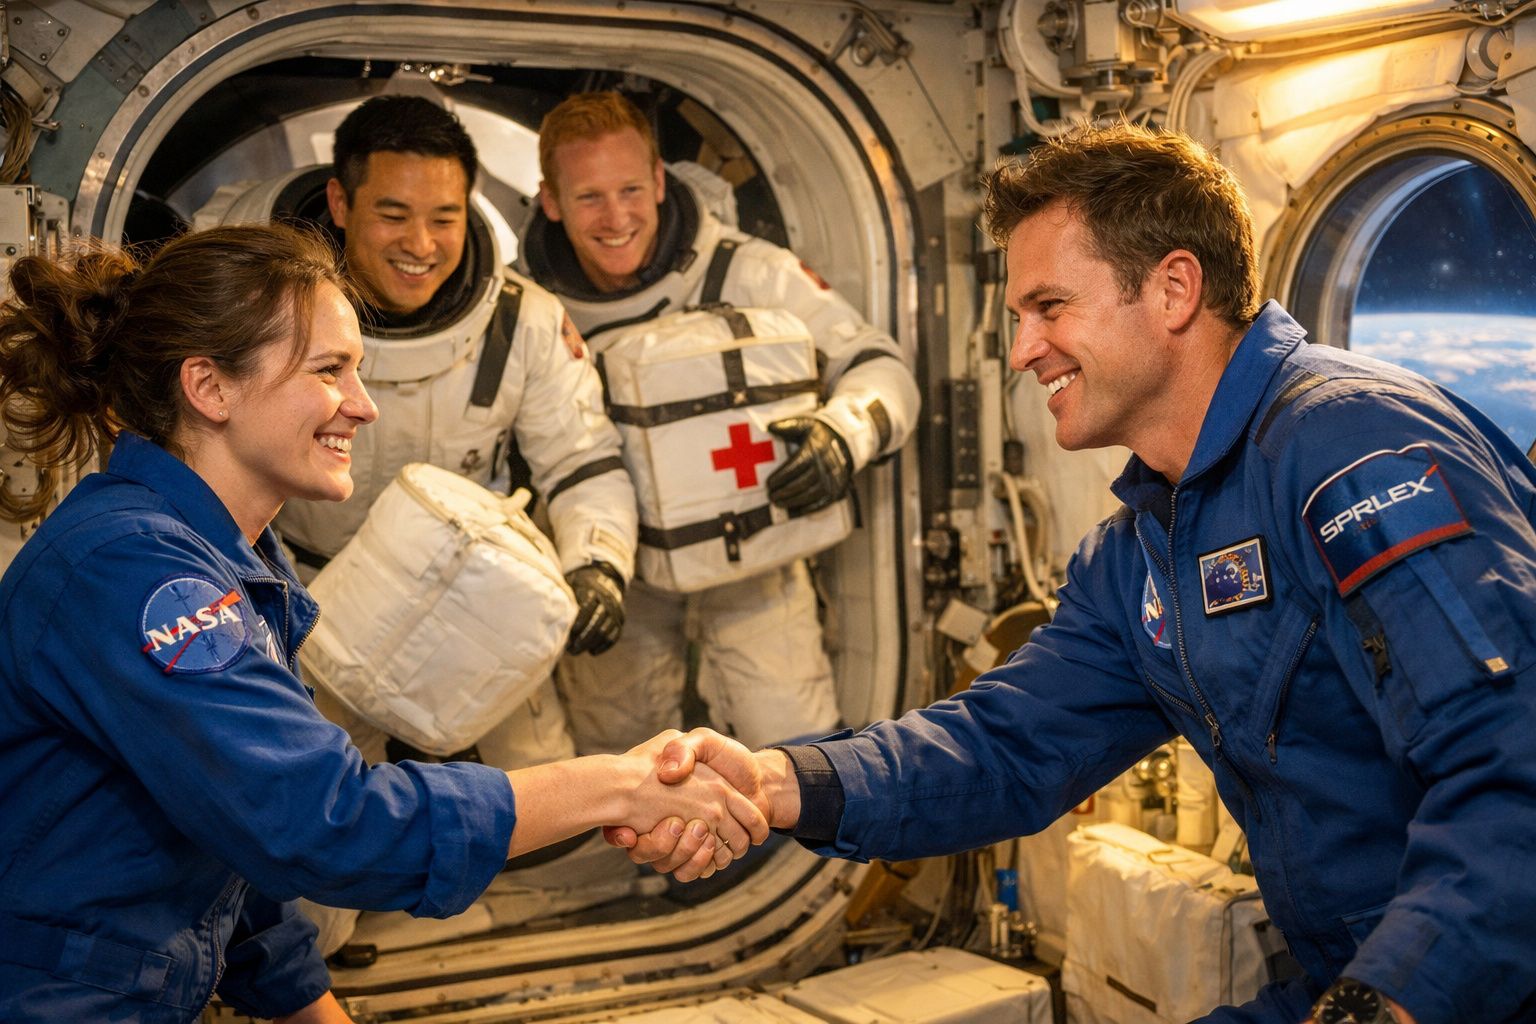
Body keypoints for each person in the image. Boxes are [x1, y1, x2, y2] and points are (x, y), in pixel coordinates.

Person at [619, 123, 1536, 1024]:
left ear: (1173, 289)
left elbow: (1515, 773)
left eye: (1050, 308)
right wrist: (775, 782)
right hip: (1358, 976)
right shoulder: (1144, 546)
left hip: (1461, 977)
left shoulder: (1349, 453)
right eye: (1019, 319)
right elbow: (1008, 745)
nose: (1023, 350)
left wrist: (1383, 1002)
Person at [0, 224, 766, 1023]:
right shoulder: (137, 572)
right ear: (211, 387)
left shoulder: (228, 560)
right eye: (329, 370)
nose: (363, 406)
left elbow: (236, 845)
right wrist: (617, 788)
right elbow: (330, 824)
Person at [203, 94, 637, 768]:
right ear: (340, 203)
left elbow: (582, 462)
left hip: (483, 614)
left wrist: (599, 563)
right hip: (313, 613)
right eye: (393, 215)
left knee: (543, 797)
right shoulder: (254, 320)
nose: (421, 245)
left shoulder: (521, 323)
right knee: (324, 805)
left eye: (444, 218)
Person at [523, 90, 920, 753]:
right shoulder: (532, 311)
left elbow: (881, 367)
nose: (616, 217)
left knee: (800, 752)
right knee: (618, 760)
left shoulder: (747, 272)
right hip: (622, 577)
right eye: (589, 197)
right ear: (551, 202)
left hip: (757, 559)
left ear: (658, 181)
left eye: (630, 189)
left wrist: (843, 435)